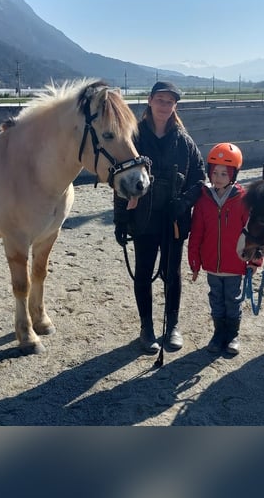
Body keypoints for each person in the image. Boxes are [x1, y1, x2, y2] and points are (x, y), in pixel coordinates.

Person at [113, 81, 206, 354]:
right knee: (142, 273)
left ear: (175, 106)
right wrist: (120, 219)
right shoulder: (135, 138)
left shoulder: (184, 141)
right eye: (161, 100)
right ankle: (147, 328)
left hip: (174, 221)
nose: (165, 105)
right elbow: (122, 180)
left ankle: (172, 326)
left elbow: (199, 179)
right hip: (143, 218)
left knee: (172, 274)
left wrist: (185, 202)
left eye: (170, 102)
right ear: (150, 101)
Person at [187, 142, 261, 355]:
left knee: (233, 300)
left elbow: (254, 233)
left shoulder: (243, 200)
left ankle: (232, 335)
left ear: (234, 175)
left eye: (224, 173)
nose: (218, 177)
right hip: (212, 265)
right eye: (215, 172)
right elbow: (197, 233)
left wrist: (255, 260)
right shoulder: (203, 201)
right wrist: (194, 262)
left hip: (235, 264)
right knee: (216, 299)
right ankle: (218, 333)